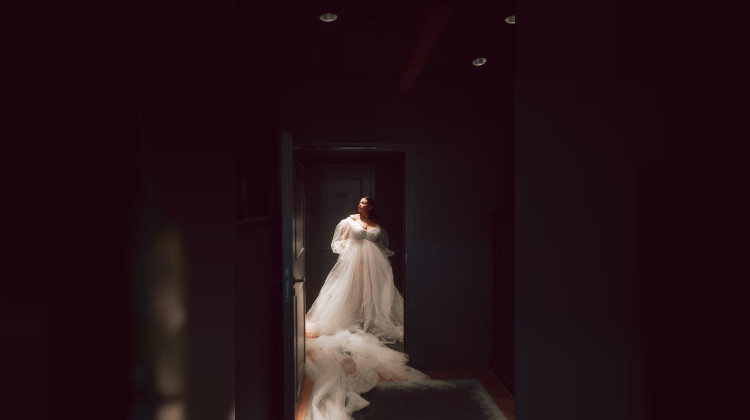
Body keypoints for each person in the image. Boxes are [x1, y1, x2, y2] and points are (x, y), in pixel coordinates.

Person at [305, 196, 405, 343]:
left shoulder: (376, 226)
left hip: (372, 264)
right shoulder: (350, 221)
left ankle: (368, 322)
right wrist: (349, 256)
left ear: (370, 207)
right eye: (359, 202)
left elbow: (380, 247)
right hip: (353, 262)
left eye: (363, 203)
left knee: (369, 292)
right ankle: (348, 320)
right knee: (350, 289)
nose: (360, 204)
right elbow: (341, 241)